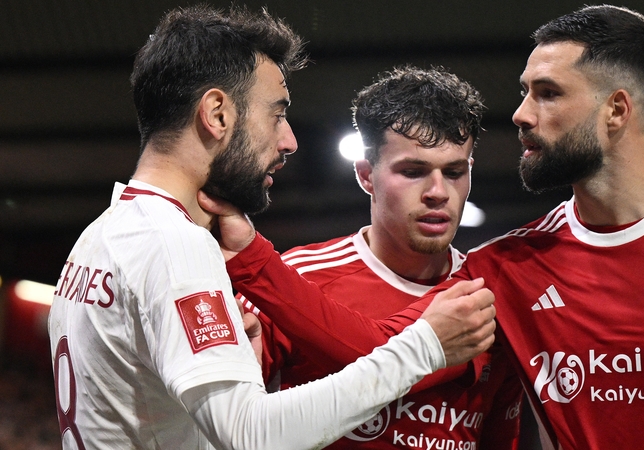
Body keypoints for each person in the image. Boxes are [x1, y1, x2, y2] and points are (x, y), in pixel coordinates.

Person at [200, 4, 644, 449]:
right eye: (523, 92)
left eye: (546, 93)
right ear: (368, 175)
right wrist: (251, 258)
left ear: (616, 110)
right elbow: (383, 352)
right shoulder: (508, 268)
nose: (519, 114)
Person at [46, 6, 498, 450]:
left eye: (455, 172)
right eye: (276, 114)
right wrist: (422, 348)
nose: (289, 140)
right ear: (217, 114)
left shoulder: (99, 236)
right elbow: (249, 435)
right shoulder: (176, 244)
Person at [239, 66, 522, 449]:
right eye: (412, 171)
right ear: (366, 175)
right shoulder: (296, 279)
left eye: (454, 171)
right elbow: (234, 427)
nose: (438, 192)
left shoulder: (492, 293)